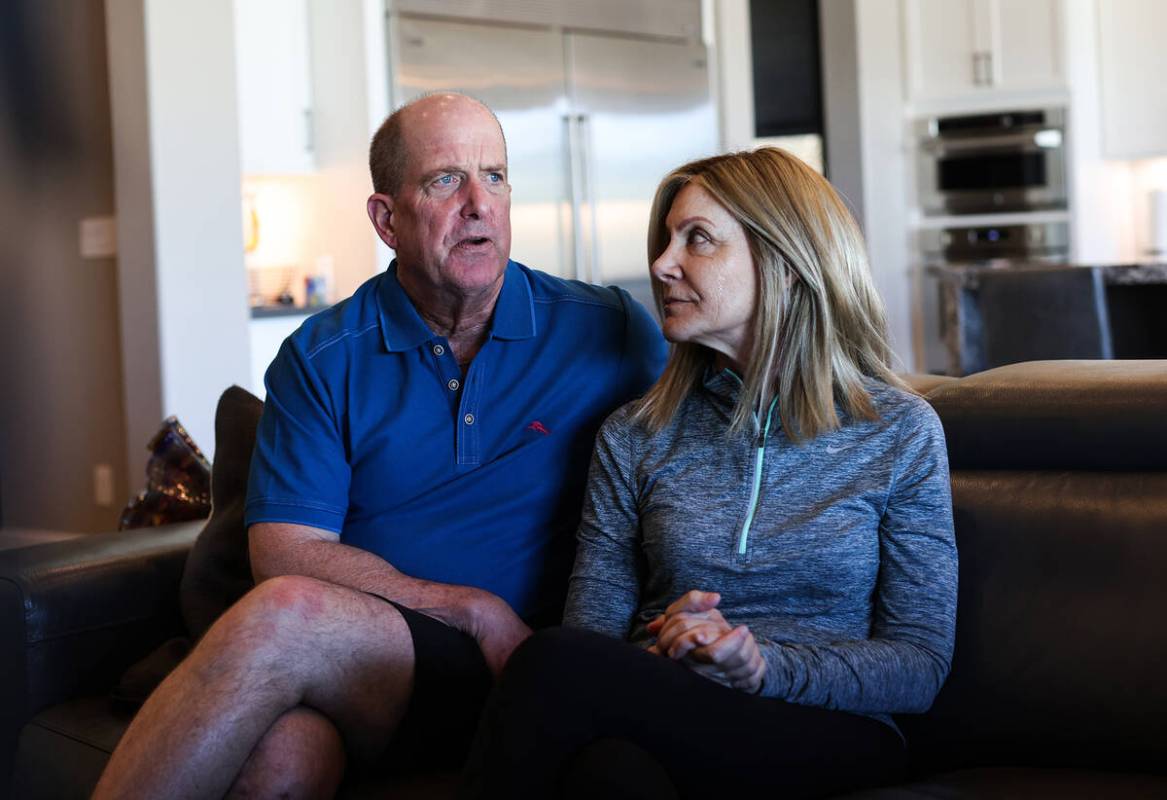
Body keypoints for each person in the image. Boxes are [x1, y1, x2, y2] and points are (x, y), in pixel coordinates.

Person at [93, 92, 666, 799]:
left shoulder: (606, 330)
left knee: (286, 620)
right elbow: (284, 552)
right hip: (381, 657)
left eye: (494, 175)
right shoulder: (322, 356)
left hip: (529, 667)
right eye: (444, 180)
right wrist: (469, 608)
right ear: (386, 219)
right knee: (282, 754)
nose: (479, 203)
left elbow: (715, 431)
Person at [468, 147, 958, 799]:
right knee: (610, 774)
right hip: (670, 710)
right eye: (667, 239)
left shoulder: (898, 430)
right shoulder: (635, 435)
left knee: (550, 662)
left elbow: (918, 665)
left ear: (784, 265)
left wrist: (758, 665)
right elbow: (594, 637)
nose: (661, 264)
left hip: (827, 729)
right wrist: (671, 654)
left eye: (697, 239)